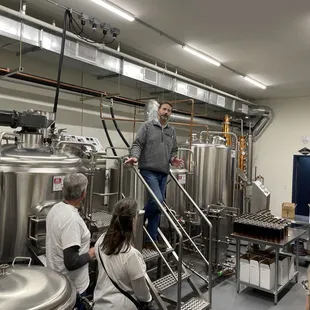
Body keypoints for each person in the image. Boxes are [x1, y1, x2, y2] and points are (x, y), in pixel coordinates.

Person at [125, 101, 184, 250]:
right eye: (164, 109)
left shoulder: (172, 131)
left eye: (169, 111)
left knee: (159, 206)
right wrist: (135, 157)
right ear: (158, 110)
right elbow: (138, 144)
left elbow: (173, 150)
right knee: (158, 201)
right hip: (149, 170)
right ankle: (136, 219)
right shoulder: (147, 126)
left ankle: (151, 239)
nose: (166, 112)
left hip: (163, 172)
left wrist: (173, 159)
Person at [93, 198, 155, 310]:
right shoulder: (131, 255)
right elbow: (142, 294)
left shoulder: (101, 241)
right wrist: (149, 299)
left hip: (100, 303)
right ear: (132, 222)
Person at [46, 173, 96, 310]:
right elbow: (71, 262)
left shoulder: (55, 209)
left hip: (56, 280)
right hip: (74, 288)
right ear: (83, 194)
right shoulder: (71, 220)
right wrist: (92, 253)